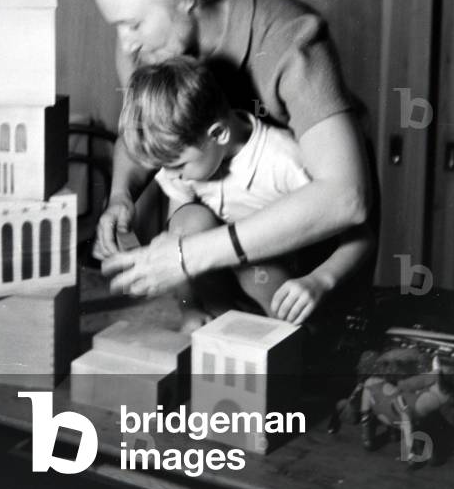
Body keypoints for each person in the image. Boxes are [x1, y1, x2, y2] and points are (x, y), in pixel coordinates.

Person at [78, 0, 373, 300]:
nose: (127, 43)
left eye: (134, 24)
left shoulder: (290, 38)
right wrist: (120, 197)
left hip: (308, 250)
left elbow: (345, 198)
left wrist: (192, 255)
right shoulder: (142, 49)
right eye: (117, 27)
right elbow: (142, 139)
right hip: (209, 241)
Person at [118, 56, 375, 329]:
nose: (171, 176)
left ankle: (292, 340)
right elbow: (177, 244)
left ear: (218, 134)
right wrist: (188, 309)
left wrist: (320, 280)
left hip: (286, 293)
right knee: (187, 222)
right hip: (224, 293)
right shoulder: (186, 166)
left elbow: (362, 236)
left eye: (178, 165)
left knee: (255, 269)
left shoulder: (283, 160)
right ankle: (216, 320)